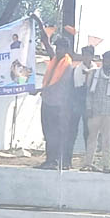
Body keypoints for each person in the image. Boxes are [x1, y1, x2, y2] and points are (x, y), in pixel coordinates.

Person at [33, 22, 74, 170]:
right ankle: (49, 159)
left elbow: (61, 88)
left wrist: (65, 108)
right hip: (47, 101)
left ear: (66, 49)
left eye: (61, 48)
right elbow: (46, 41)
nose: (58, 50)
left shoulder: (68, 65)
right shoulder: (54, 60)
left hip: (59, 105)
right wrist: (39, 22)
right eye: (57, 47)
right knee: (47, 133)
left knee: (56, 134)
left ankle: (56, 161)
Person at [82, 51, 110, 174]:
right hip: (95, 110)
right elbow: (88, 93)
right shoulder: (94, 73)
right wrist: (88, 108)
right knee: (92, 138)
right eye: (105, 59)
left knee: (107, 140)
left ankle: (106, 164)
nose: (107, 62)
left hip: (109, 112)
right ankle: (88, 163)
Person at [65, 45, 96, 167]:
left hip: (91, 104)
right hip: (77, 103)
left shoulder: (96, 70)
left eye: (89, 55)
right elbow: (74, 88)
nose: (86, 57)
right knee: (72, 132)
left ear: (92, 56)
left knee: (89, 133)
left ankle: (88, 162)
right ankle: (67, 161)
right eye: (84, 54)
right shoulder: (76, 70)